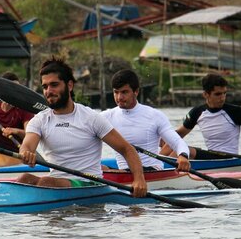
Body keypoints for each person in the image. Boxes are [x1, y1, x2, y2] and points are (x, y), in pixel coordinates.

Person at [17, 57, 147, 197]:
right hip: (54, 184)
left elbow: (127, 149)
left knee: (46, 183)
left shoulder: (91, 118)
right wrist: (25, 153)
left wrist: (139, 180)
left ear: (70, 85)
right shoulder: (39, 120)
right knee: (24, 179)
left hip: (90, 184)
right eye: (45, 87)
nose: (49, 91)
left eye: (54, 85)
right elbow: (27, 145)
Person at [162, 73, 241, 164]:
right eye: (217, 94)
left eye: (224, 93)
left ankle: (159, 171)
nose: (222, 98)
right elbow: (178, 135)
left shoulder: (236, 112)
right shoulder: (197, 112)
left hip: (229, 159)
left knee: (182, 151)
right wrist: (161, 137)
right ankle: (155, 165)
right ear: (206, 94)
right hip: (211, 157)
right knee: (173, 142)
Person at [102, 69, 190, 172]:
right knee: (99, 168)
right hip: (123, 172)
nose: (119, 97)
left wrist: (183, 155)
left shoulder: (154, 115)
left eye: (124, 92)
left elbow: (177, 142)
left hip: (151, 170)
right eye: (116, 92)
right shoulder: (106, 116)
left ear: (136, 92)